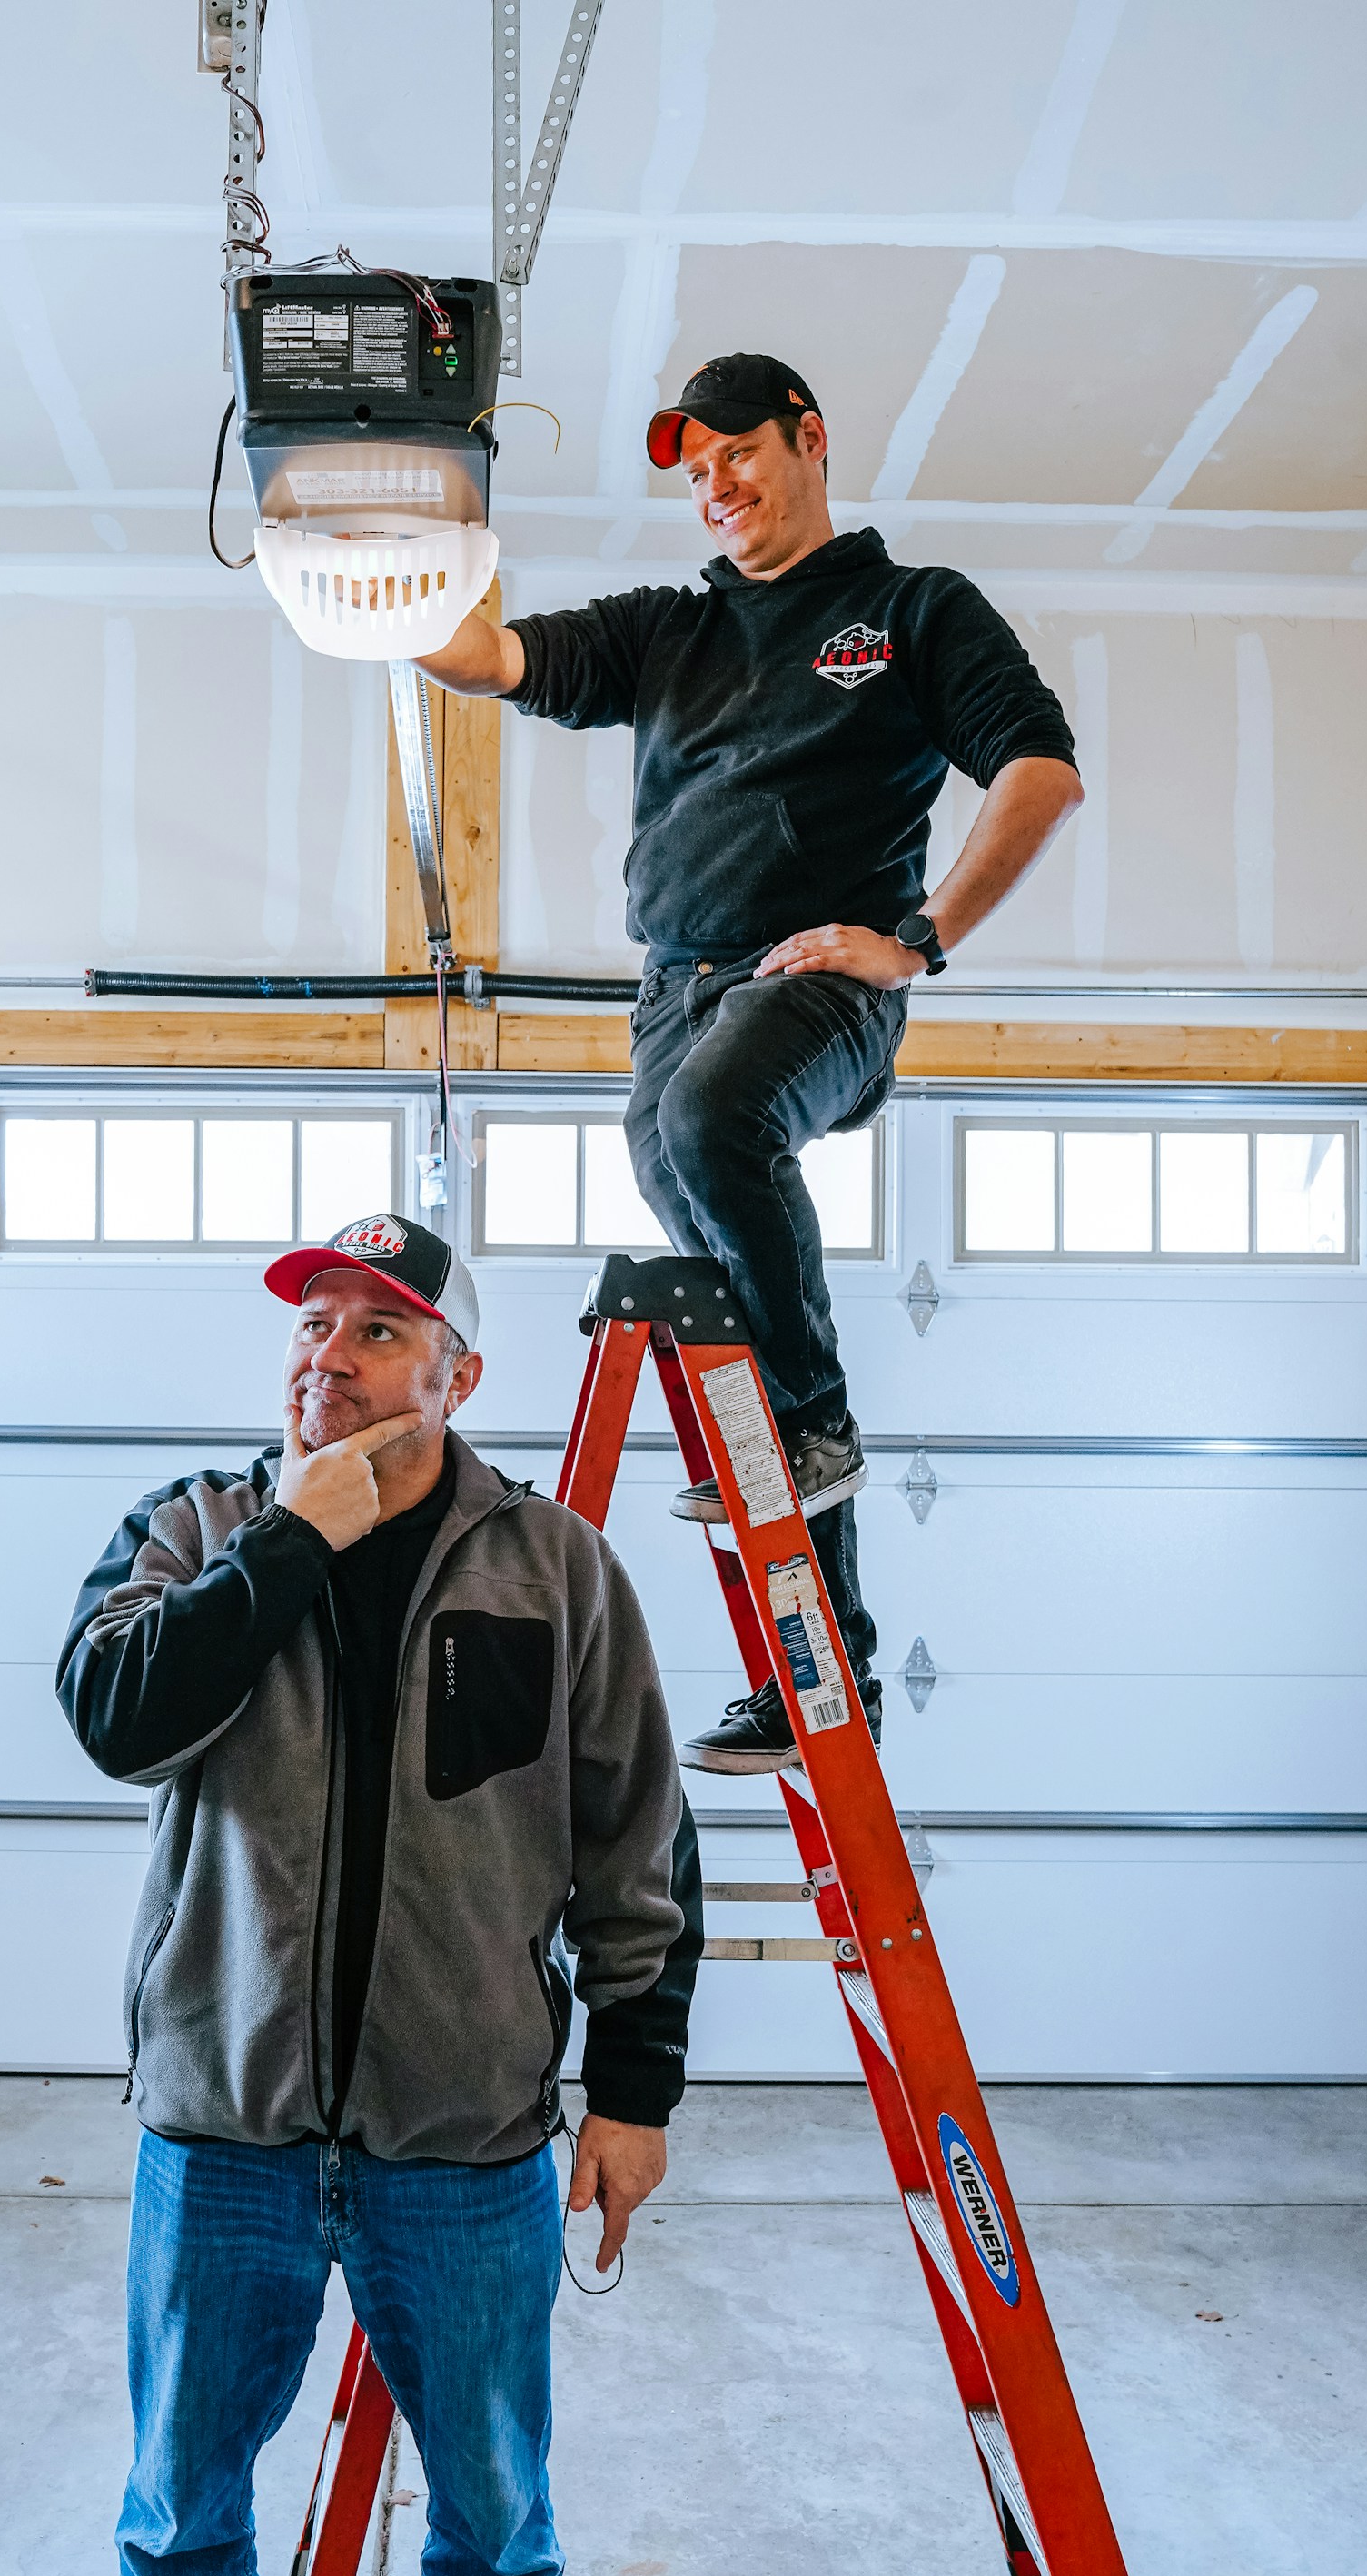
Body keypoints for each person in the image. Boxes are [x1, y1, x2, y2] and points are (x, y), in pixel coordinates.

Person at [419, 352, 1083, 1772]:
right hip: (674, 999)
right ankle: (818, 1669)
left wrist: (918, 939)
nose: (715, 484)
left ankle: (822, 1422)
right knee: (692, 1197)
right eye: (694, 468)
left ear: (810, 439)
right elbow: (484, 658)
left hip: (813, 985)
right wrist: (406, 562)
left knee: (720, 1126)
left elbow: (1040, 768)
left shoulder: (909, 609)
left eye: (737, 453)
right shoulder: (669, 629)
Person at [56, 1210, 701, 2576]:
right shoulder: (198, 1528)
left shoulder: (556, 1567)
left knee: (494, 2527)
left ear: (455, 1379)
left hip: (462, 2152)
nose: (330, 1357)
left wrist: (633, 2095)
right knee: (180, 2522)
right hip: (224, 2144)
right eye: (313, 1322)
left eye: (379, 1330)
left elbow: (637, 1844)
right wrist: (288, 1543)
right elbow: (114, 1720)